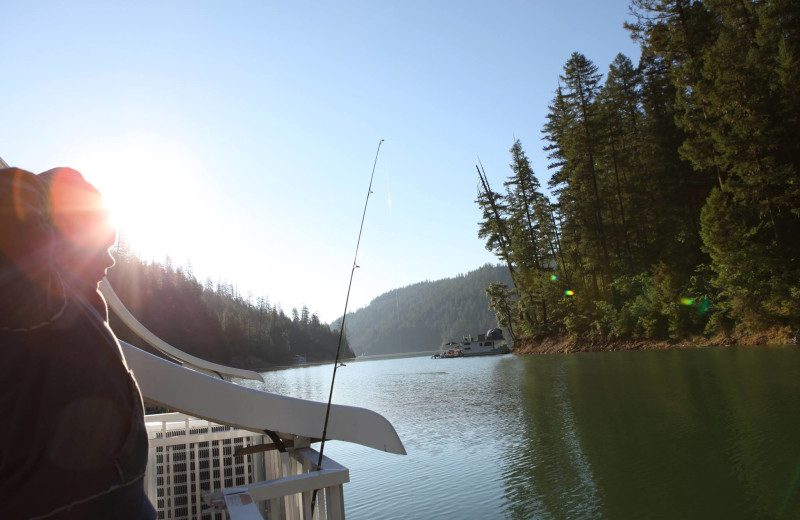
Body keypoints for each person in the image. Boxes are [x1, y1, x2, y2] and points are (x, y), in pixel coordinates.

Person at [0, 167, 155, 519]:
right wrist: (58, 191)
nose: (111, 259)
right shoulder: (35, 299)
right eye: (100, 243)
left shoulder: (63, 310)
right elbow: (9, 202)